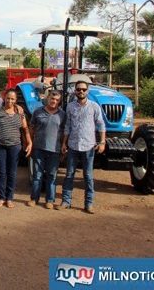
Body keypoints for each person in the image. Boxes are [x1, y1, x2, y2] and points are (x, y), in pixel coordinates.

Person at [58, 81, 105, 214]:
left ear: (87, 91)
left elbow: (101, 125)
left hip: (88, 145)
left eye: (83, 89)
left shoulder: (94, 107)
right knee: (69, 174)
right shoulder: (70, 107)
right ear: (75, 91)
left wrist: (102, 142)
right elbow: (67, 126)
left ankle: (89, 203)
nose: (81, 92)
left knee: (88, 176)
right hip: (73, 145)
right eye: (78, 89)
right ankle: (66, 201)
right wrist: (64, 143)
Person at [0, 89, 32, 208]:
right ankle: (1, 197)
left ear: (16, 100)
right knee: (1, 173)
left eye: (12, 99)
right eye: (8, 98)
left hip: (15, 147)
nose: (10, 101)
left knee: (12, 173)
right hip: (0, 146)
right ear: (4, 98)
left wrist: (29, 142)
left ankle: (9, 198)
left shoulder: (20, 113)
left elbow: (25, 129)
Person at [27, 90, 65, 210]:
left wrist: (64, 146)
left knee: (51, 175)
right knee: (37, 175)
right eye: (52, 99)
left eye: (57, 100)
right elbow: (31, 129)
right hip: (38, 148)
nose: (54, 101)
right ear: (47, 99)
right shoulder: (38, 112)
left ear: (59, 102)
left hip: (54, 150)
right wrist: (29, 144)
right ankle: (34, 199)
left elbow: (65, 132)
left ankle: (50, 200)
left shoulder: (62, 115)